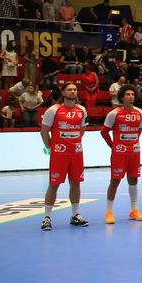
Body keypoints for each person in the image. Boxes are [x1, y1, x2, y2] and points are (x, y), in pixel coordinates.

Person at [39, 82, 90, 230]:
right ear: (63, 92)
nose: (73, 92)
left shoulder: (82, 110)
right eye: (69, 89)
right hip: (59, 154)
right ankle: (47, 217)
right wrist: (51, 147)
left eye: (74, 89)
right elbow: (44, 131)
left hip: (76, 153)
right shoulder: (53, 110)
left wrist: (73, 142)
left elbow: (82, 130)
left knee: (76, 183)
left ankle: (75, 215)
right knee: (54, 184)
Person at [100, 85, 142, 224]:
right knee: (115, 181)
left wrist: (132, 141)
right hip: (119, 153)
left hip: (134, 152)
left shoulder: (140, 113)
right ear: (121, 97)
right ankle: (109, 212)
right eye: (127, 94)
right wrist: (112, 145)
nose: (131, 96)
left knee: (133, 180)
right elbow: (104, 131)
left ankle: (134, 210)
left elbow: (139, 130)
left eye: (132, 94)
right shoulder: (114, 113)